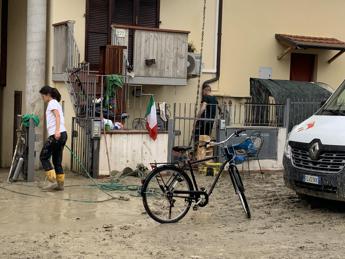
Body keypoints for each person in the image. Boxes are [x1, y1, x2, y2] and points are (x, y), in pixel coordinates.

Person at [39, 86, 67, 191]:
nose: (42, 98)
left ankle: (53, 181)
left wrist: (57, 131)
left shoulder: (52, 103)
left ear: (47, 95)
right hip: (62, 134)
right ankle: (60, 185)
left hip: (57, 134)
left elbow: (57, 116)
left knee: (43, 156)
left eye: (43, 96)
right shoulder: (55, 103)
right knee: (57, 160)